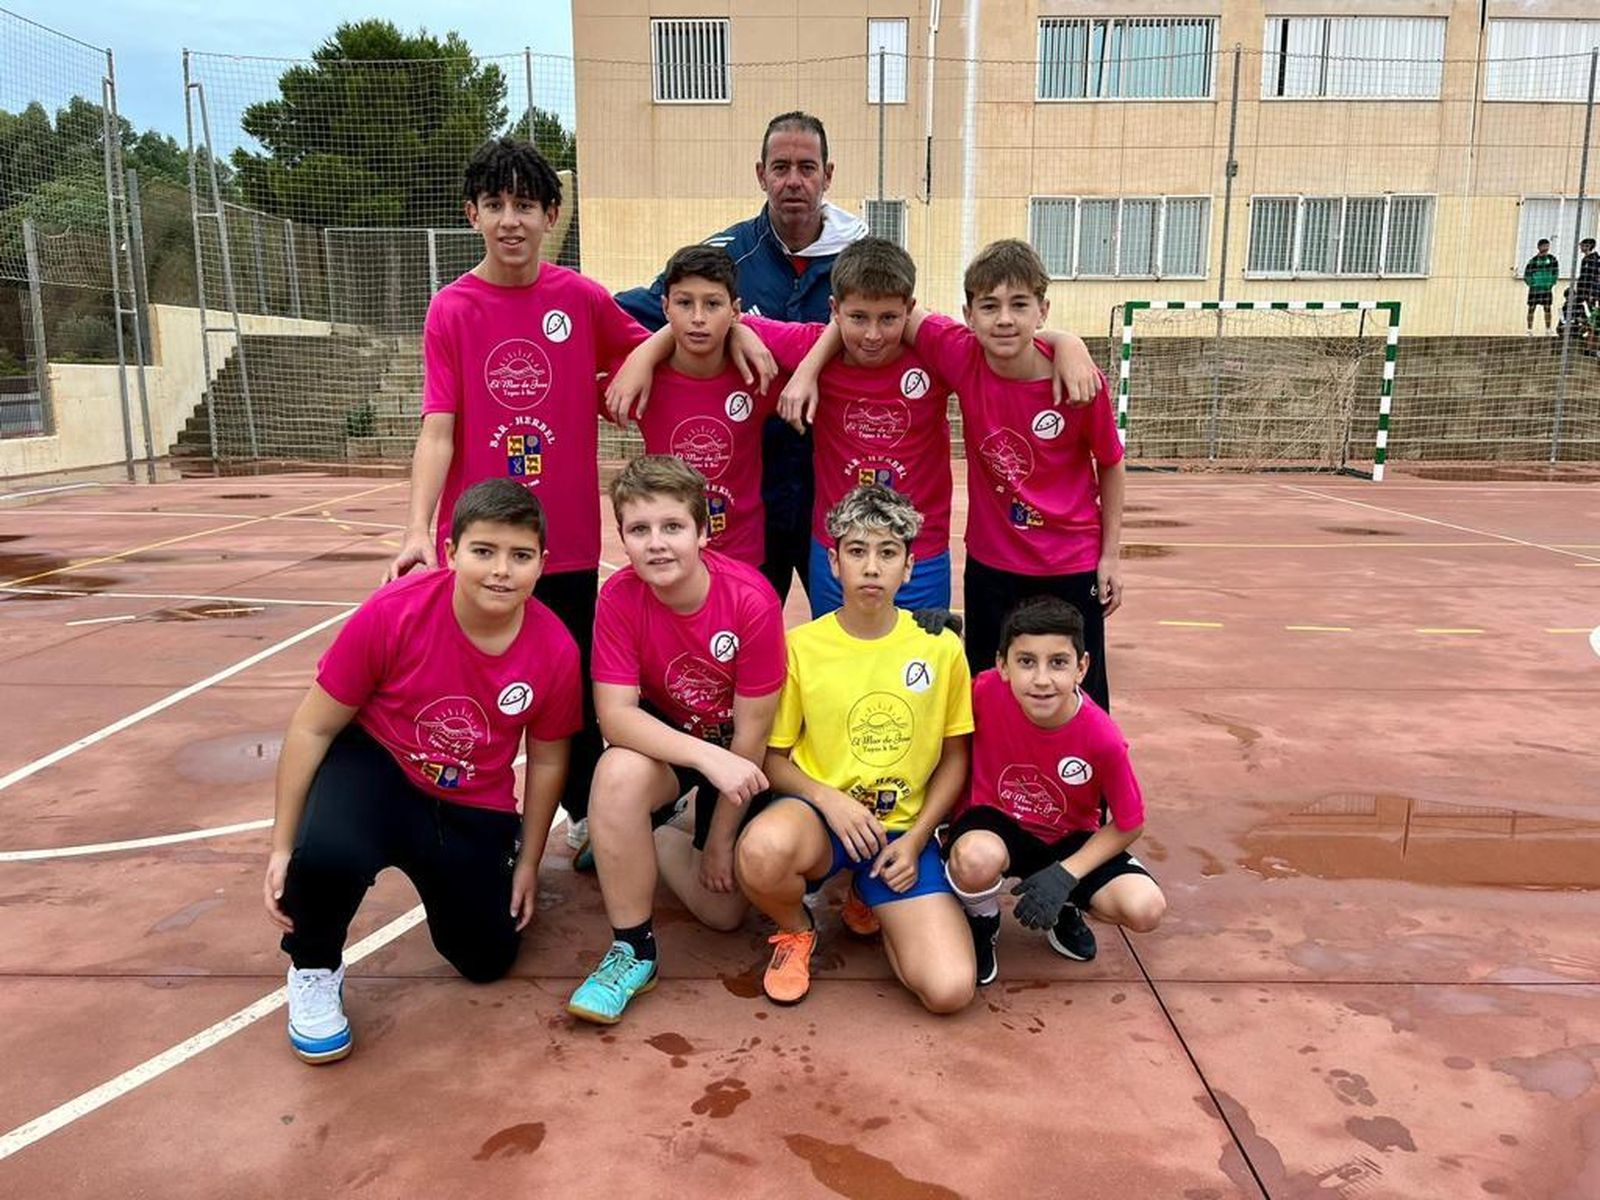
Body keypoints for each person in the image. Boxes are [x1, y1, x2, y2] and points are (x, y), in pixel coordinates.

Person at [385, 136, 646, 854]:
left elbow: (650, 348)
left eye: (526, 205)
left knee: (573, 686)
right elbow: (438, 429)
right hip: (483, 545)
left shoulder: (580, 298)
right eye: (495, 204)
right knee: (476, 684)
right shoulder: (452, 308)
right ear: (471, 213)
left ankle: (588, 816)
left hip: (564, 545)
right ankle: (479, 820)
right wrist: (417, 529)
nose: (511, 220)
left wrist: (728, 340)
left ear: (551, 216)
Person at [265, 480, 582, 1063]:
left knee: (486, 959)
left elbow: (548, 759)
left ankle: (476, 881)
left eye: (520, 555)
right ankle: (313, 967)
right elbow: (312, 727)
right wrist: (284, 845)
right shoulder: (394, 611)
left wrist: (529, 862)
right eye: (484, 551)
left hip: (470, 798)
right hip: (379, 766)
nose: (501, 571)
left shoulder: (555, 649)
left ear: (543, 563)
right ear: (451, 551)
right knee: (326, 858)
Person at [734, 483, 976, 1013]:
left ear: (908, 567)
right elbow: (773, 759)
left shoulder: (941, 647)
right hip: (823, 821)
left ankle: (872, 895)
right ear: (833, 562)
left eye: (887, 553)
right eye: (857, 551)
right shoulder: (800, 647)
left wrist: (916, 839)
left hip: (900, 832)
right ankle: (797, 929)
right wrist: (830, 800)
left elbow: (956, 757)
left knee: (949, 990)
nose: (871, 567)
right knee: (759, 852)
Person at [567, 456, 787, 1025]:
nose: (657, 544)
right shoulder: (618, 598)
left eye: (672, 527)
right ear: (623, 538)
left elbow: (753, 736)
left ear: (703, 532)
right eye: (639, 530)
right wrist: (703, 756)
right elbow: (616, 718)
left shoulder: (751, 600)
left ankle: (651, 837)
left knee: (723, 913)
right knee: (616, 773)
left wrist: (719, 843)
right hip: (678, 742)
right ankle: (632, 951)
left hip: (737, 749)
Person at [616, 112, 868, 608]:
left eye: (807, 168)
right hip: (750, 499)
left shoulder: (857, 260)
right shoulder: (726, 256)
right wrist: (657, 346)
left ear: (828, 175)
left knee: (846, 628)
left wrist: (747, 328)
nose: (793, 181)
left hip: (832, 487)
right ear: (760, 174)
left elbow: (885, 325)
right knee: (745, 628)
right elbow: (636, 313)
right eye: (780, 167)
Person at [904, 239, 1124, 710]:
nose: (1004, 318)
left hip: (1069, 563)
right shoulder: (960, 354)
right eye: (990, 306)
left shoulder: (1081, 384)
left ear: (1043, 311)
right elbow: (895, 306)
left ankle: (1084, 764)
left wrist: (1110, 555)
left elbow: (1110, 461)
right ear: (968, 314)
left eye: (1019, 304)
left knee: (1079, 696)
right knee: (987, 692)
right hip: (993, 564)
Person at [944, 597, 1165, 985]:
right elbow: (930, 698)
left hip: (1067, 837)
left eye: (1058, 662)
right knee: (974, 858)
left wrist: (1066, 874)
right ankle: (982, 920)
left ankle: (1064, 903)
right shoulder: (985, 691)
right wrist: (931, 639)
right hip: (996, 823)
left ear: (1082, 667)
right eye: (1026, 662)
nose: (1042, 679)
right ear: (1002, 665)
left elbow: (1130, 822)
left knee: (1145, 908)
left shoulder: (1102, 737)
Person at [613, 244, 780, 568]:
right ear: (665, 307)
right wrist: (646, 351)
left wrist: (745, 331)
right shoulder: (637, 378)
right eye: (684, 303)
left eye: (713, 304)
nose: (698, 318)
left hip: (742, 557)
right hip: (666, 554)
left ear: (735, 310)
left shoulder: (759, 374)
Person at [1524, 239, 1559, 337]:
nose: (1546, 248)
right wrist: (1532, 283)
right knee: (1531, 308)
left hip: (1546, 289)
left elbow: (1555, 273)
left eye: (1547, 246)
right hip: (1535, 289)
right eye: (1543, 246)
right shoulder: (1533, 260)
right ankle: (1529, 330)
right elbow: (1527, 274)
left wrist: (1551, 283)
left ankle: (1548, 329)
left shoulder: (1552, 259)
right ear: (1538, 247)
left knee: (1547, 308)